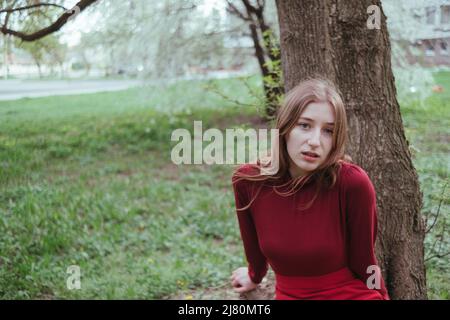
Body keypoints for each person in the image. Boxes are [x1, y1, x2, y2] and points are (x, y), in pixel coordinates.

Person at [230, 78, 390, 300]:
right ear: (285, 128)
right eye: (304, 125)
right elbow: (255, 253)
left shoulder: (352, 183)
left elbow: (366, 261)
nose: (315, 141)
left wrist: (379, 293)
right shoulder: (248, 181)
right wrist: (254, 276)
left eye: (328, 131)